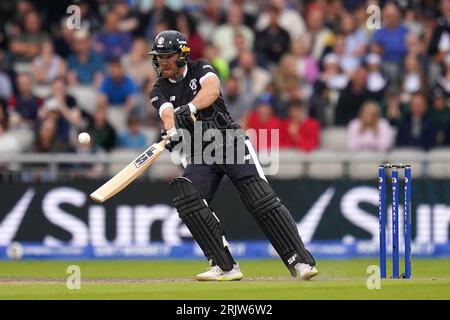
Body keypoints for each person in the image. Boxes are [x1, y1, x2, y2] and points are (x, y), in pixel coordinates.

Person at [149, 30, 317, 281]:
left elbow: (212, 90)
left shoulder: (201, 67)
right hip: (199, 151)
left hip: (228, 140)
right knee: (188, 200)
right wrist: (173, 131)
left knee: (260, 199)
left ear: (182, 55)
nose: (163, 62)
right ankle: (224, 266)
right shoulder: (159, 88)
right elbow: (166, 114)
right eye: (159, 57)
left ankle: (300, 261)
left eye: (168, 56)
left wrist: (191, 107)